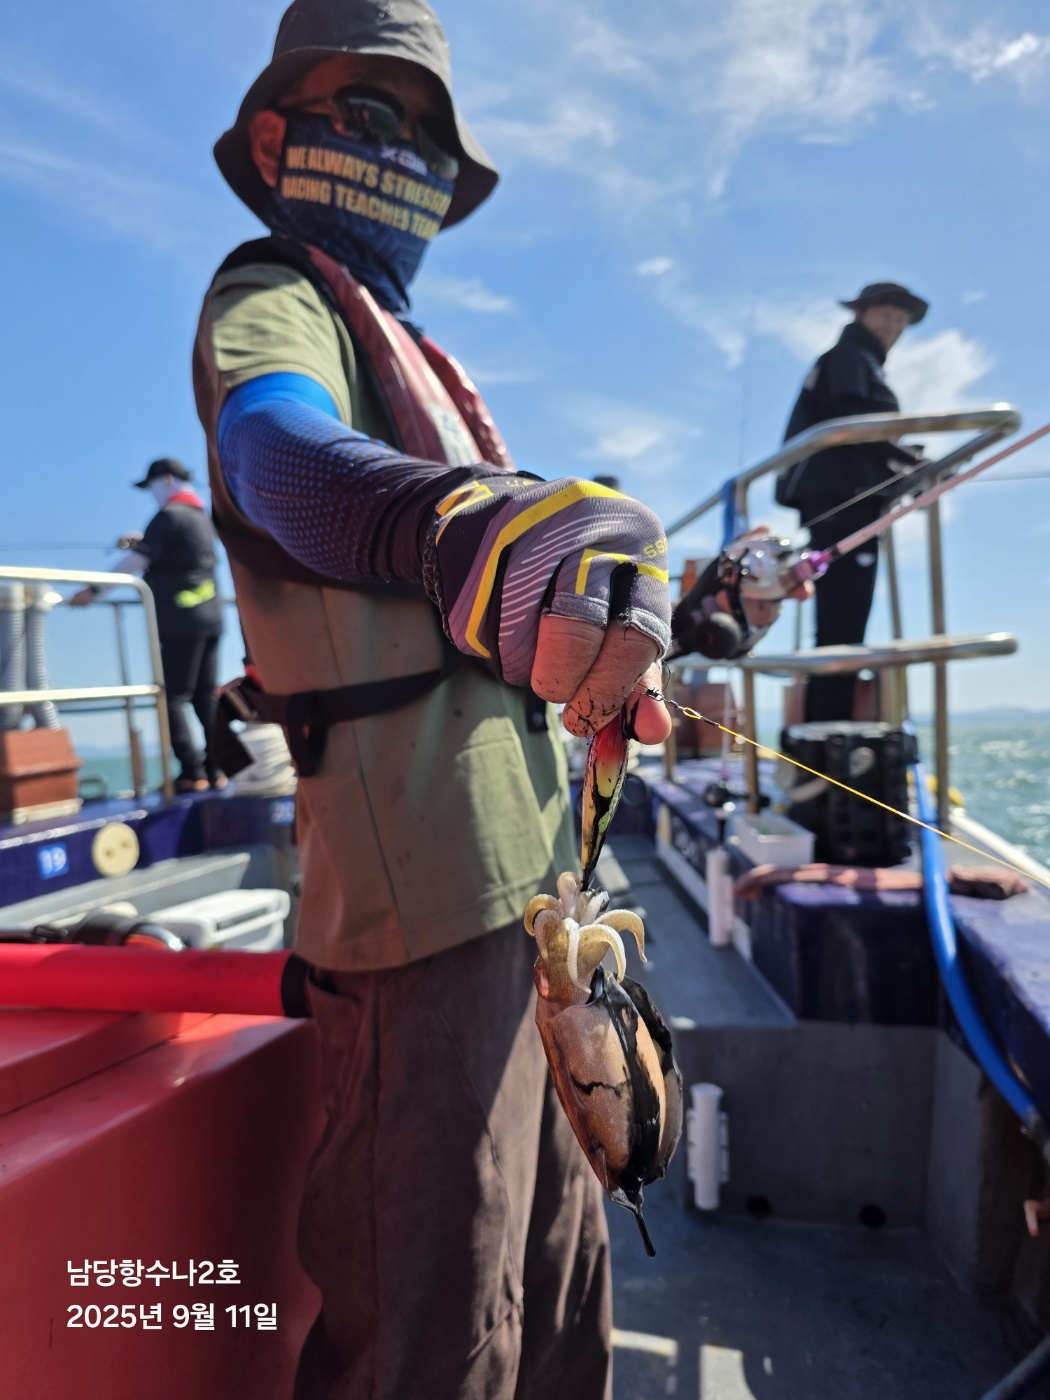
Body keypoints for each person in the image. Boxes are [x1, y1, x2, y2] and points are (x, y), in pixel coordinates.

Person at [193, 2, 672, 1396]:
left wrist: (668, 613)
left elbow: (511, 607)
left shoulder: (418, 355)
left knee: (563, 1271)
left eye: (427, 141)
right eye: (370, 114)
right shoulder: (272, 294)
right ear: (274, 140)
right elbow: (274, 446)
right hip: (422, 906)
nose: (399, 156)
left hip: (537, 889)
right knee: (437, 1318)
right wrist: (450, 526)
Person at [775, 281, 929, 721]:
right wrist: (911, 463)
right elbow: (854, 424)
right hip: (843, 502)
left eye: (900, 320)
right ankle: (829, 730)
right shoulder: (850, 357)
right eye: (885, 315)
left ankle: (825, 727)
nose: (892, 326)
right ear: (860, 314)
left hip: (839, 499)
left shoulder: (852, 359)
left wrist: (906, 465)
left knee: (838, 623)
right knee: (843, 622)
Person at [70, 458, 225, 792]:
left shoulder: (168, 516)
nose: (152, 494)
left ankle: (192, 772)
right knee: (204, 696)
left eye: (152, 486)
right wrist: (143, 539)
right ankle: (216, 769)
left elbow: (137, 561)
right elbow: (177, 551)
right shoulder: (200, 516)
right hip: (212, 618)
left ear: (166, 480)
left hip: (180, 622)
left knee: (172, 697)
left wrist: (93, 591)